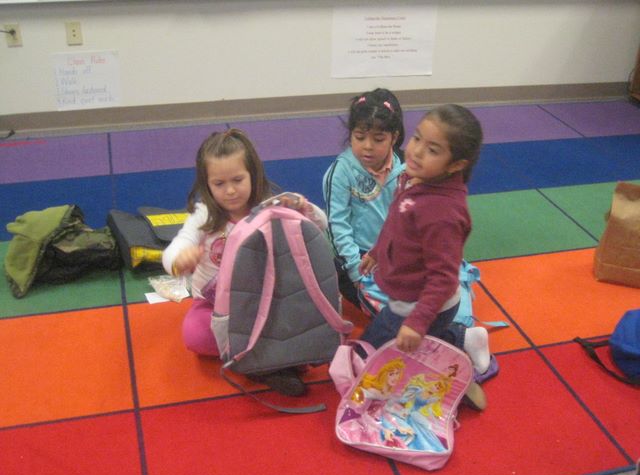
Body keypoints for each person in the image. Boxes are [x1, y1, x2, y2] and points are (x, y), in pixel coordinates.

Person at [162, 128, 327, 396]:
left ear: (253, 174)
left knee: (302, 317)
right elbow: (176, 247)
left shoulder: (270, 207)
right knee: (195, 334)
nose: (230, 191)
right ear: (207, 184)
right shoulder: (204, 215)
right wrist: (180, 259)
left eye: (238, 180)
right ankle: (267, 362)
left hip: (265, 303)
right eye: (219, 184)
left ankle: (257, 359)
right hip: (216, 307)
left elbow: (319, 225)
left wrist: (303, 207)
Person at [358, 104, 491, 409]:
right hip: (409, 293)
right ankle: (464, 338)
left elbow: (443, 278)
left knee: (374, 353)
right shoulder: (416, 178)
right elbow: (396, 223)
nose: (416, 151)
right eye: (417, 138)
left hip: (419, 302)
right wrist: (377, 252)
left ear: (456, 164)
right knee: (410, 342)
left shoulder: (442, 213)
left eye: (432, 150)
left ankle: (457, 368)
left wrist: (417, 322)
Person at [322, 88, 405, 312]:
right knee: (391, 314)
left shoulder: (406, 168)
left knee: (443, 290)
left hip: (398, 254)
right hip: (360, 257)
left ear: (394, 137)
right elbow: (338, 226)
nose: (368, 146)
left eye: (378, 139)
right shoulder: (340, 172)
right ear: (350, 134)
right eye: (359, 137)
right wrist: (356, 271)